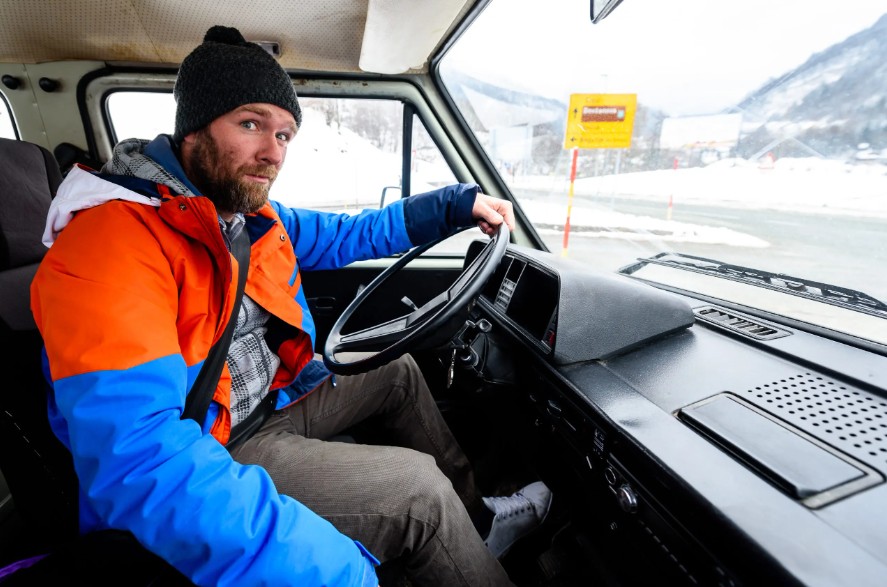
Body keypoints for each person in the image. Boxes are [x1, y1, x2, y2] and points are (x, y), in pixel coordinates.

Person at [30, 25, 551, 587]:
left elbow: (353, 234)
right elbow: (140, 462)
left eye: (284, 134)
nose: (271, 152)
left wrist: (457, 205)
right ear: (194, 129)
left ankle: (474, 527)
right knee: (416, 490)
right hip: (217, 450)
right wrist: (336, 569)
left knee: (396, 371)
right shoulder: (109, 247)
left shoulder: (241, 215)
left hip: (268, 403)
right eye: (251, 124)